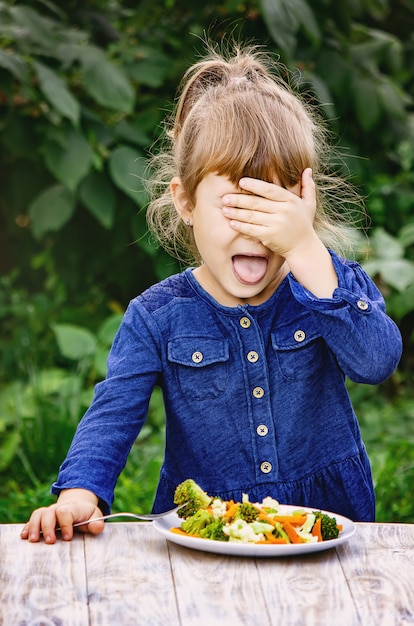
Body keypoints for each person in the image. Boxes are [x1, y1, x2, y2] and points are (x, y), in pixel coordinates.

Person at [21, 42, 402, 544]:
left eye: (272, 208)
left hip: (325, 522)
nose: (252, 231)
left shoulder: (327, 284)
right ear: (184, 202)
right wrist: (78, 493)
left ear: (304, 207)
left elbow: (375, 361)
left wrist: (308, 250)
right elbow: (114, 411)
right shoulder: (156, 316)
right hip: (207, 530)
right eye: (232, 206)